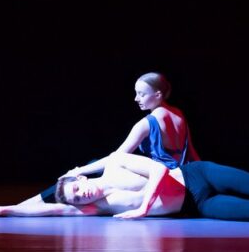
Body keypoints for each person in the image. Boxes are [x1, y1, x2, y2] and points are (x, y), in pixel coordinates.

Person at [0, 152, 249, 221]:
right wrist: (8, 207)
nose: (83, 195)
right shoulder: (95, 208)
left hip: (196, 177)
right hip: (195, 206)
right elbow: (47, 206)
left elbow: (160, 172)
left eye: (80, 189)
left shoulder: (117, 165)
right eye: (78, 199)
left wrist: (143, 209)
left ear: (81, 179)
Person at [20, 72, 201, 206]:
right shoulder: (179, 114)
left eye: (141, 94)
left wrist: (76, 171)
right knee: (92, 170)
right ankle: (38, 200)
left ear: (158, 94)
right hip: (182, 172)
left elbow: (117, 157)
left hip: (162, 177)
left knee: (90, 168)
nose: (136, 98)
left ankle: (32, 202)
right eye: (136, 93)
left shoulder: (146, 124)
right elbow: (191, 152)